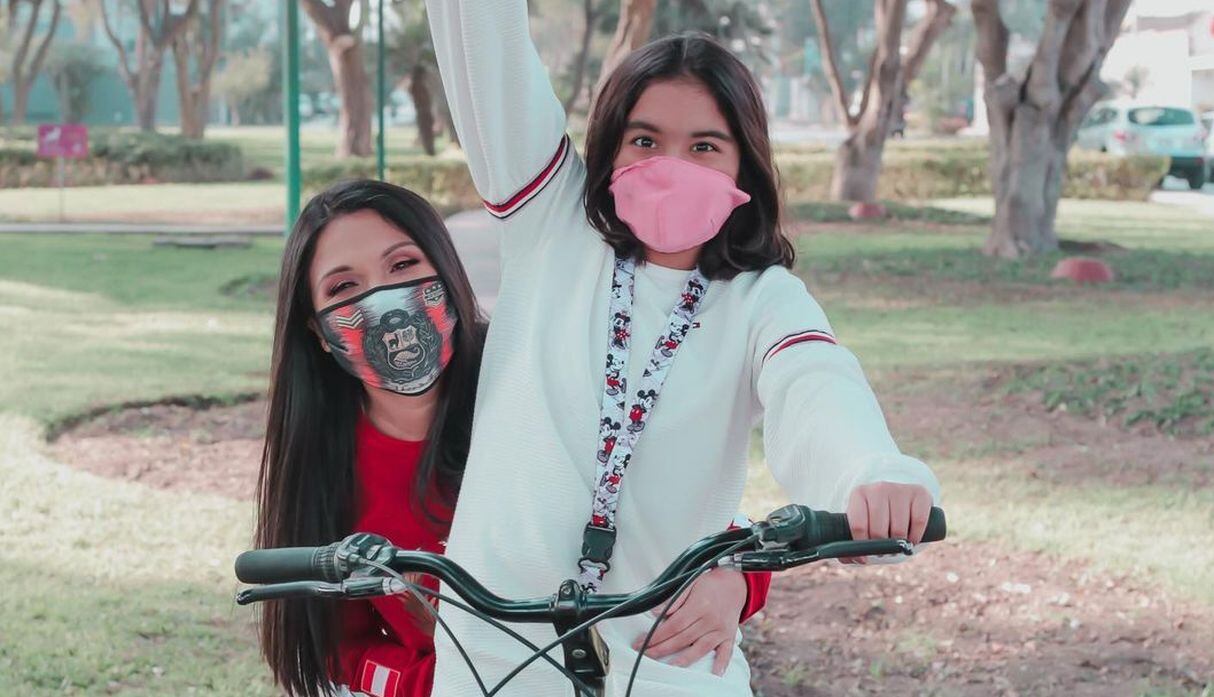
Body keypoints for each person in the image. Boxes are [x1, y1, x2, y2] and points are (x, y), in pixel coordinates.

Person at [424, 2, 942, 696]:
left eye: (703, 146)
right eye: (644, 140)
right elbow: (485, 45)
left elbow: (817, 382)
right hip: (497, 649)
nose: (670, 165)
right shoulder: (550, 224)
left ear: (743, 168)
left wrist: (870, 473)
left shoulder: (763, 297)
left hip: (668, 649)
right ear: (608, 150)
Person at [250, 180, 771, 697]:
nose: (385, 301)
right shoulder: (325, 467)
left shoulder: (541, 383)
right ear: (317, 331)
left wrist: (736, 580)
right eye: (344, 287)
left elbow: (686, 494)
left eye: (403, 265)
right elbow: (331, 646)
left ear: (445, 270)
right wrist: (430, 682)